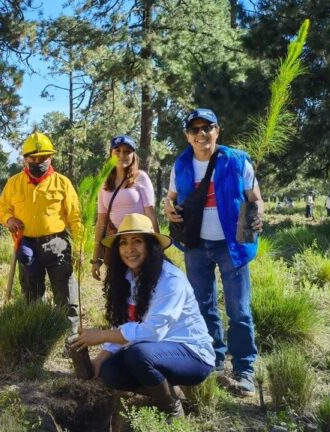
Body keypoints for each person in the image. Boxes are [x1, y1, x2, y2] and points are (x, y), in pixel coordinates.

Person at [71, 214, 214, 419]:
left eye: (137, 241)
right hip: (155, 352)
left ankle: (173, 410)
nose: (129, 249)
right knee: (110, 371)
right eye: (124, 242)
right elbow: (122, 326)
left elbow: (151, 333)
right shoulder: (127, 278)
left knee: (138, 355)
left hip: (191, 354)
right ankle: (166, 391)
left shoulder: (170, 280)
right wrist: (99, 361)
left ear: (151, 246)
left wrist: (101, 335)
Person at [163, 108, 264, 395]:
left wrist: (256, 218)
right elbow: (170, 199)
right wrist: (168, 209)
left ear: (217, 131)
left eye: (207, 128)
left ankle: (244, 369)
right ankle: (214, 362)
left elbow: (254, 198)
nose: (201, 134)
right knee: (204, 307)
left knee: (239, 310)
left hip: (232, 245)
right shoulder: (181, 164)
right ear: (187, 136)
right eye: (194, 130)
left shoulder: (236, 160)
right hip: (195, 246)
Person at [0, 132, 83, 334]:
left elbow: (75, 217)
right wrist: (9, 219)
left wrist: (79, 246)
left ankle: (70, 338)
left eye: (43, 158)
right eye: (33, 158)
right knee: (31, 293)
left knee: (66, 293)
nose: (38, 162)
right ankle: (37, 336)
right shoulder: (14, 183)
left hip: (57, 244)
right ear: (25, 159)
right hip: (26, 245)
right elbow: (2, 207)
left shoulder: (63, 183)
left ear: (50, 157)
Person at [90, 135, 159, 281]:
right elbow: (101, 222)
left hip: (140, 241)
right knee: (118, 286)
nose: (122, 155)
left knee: (144, 284)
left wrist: (158, 248)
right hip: (116, 241)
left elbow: (150, 214)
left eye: (127, 151)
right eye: (117, 151)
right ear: (111, 154)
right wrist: (96, 258)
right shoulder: (104, 182)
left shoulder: (141, 178)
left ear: (133, 155)